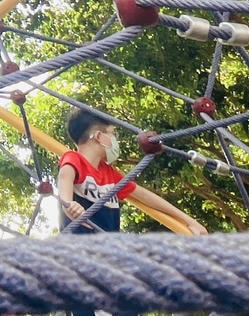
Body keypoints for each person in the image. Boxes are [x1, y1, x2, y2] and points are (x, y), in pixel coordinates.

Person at [57, 107, 208, 315]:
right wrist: (68, 204)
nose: (115, 141)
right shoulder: (75, 159)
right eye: (113, 134)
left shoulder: (109, 174)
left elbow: (146, 196)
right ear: (99, 137)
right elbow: (65, 177)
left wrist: (188, 219)